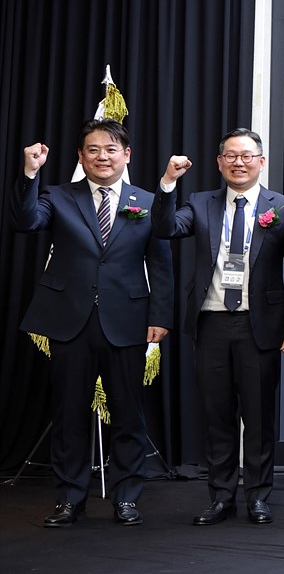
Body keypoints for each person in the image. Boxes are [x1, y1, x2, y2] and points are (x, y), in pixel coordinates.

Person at [13, 119, 173, 527]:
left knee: (128, 414)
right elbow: (25, 221)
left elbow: (160, 265)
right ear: (81, 156)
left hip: (128, 321)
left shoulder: (147, 201)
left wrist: (159, 317)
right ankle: (70, 499)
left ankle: (127, 498)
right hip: (70, 320)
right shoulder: (58, 195)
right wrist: (30, 173)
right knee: (69, 414)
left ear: (127, 155)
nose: (103, 156)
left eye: (111, 149)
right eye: (93, 149)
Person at [153, 128, 284, 526]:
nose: (239, 163)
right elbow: (165, 228)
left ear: (261, 162)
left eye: (246, 156)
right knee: (217, 415)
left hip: (260, 325)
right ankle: (222, 496)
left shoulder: (280, 206)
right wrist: (169, 182)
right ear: (219, 162)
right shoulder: (199, 202)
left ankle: (258, 496)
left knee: (258, 417)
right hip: (210, 323)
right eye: (230, 156)